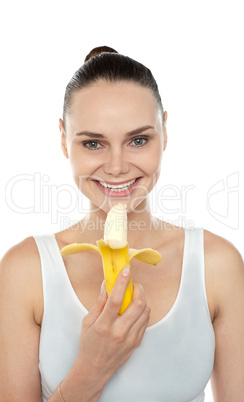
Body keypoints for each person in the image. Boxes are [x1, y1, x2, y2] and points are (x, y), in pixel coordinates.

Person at [0, 46, 243, 402]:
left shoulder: (217, 264)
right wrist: (91, 368)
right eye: (94, 143)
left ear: (165, 132)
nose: (116, 167)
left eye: (138, 140)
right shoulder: (24, 272)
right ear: (64, 140)